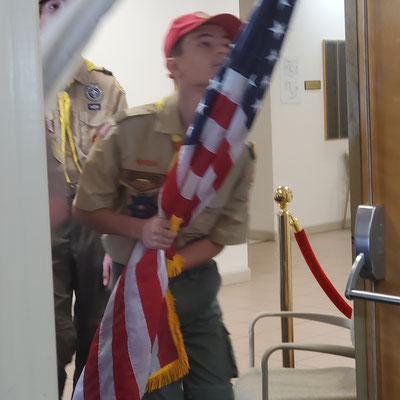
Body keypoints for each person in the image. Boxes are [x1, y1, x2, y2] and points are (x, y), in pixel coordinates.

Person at [73, 11, 254, 400]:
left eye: (227, 45)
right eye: (205, 43)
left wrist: (174, 262)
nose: (221, 52)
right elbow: (85, 209)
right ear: (173, 66)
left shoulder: (234, 149)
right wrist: (140, 230)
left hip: (197, 290)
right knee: (156, 394)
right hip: (137, 291)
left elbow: (222, 234)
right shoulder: (129, 131)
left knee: (215, 392)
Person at [38, 0, 128, 397]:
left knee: (97, 328)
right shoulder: (17, 84)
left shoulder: (104, 87)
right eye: (52, 6)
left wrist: (116, 243)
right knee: (47, 334)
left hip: (96, 219)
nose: (61, 16)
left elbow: (124, 172)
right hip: (41, 225)